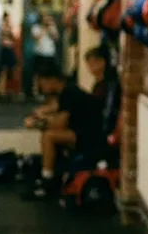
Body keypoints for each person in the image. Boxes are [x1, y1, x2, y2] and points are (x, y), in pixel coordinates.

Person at [22, 66, 103, 200]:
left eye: (43, 83)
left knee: (49, 136)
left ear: (53, 80)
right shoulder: (67, 91)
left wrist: (38, 123)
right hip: (80, 132)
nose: (42, 88)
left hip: (89, 137)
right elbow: (53, 108)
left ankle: (47, 182)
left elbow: (59, 123)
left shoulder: (70, 92)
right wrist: (38, 115)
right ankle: (52, 175)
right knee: (49, 132)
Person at [31, 15, 58, 96]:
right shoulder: (36, 27)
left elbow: (56, 38)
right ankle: (37, 91)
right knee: (38, 73)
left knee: (50, 73)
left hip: (50, 53)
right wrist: (44, 28)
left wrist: (51, 28)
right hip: (40, 53)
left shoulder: (52, 27)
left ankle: (49, 91)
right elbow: (37, 37)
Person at [0, 13, 18, 98]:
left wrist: (10, 28)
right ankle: (1, 91)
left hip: (10, 49)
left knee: (12, 70)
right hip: (3, 49)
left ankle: (12, 90)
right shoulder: (0, 26)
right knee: (3, 70)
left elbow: (15, 36)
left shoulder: (11, 27)